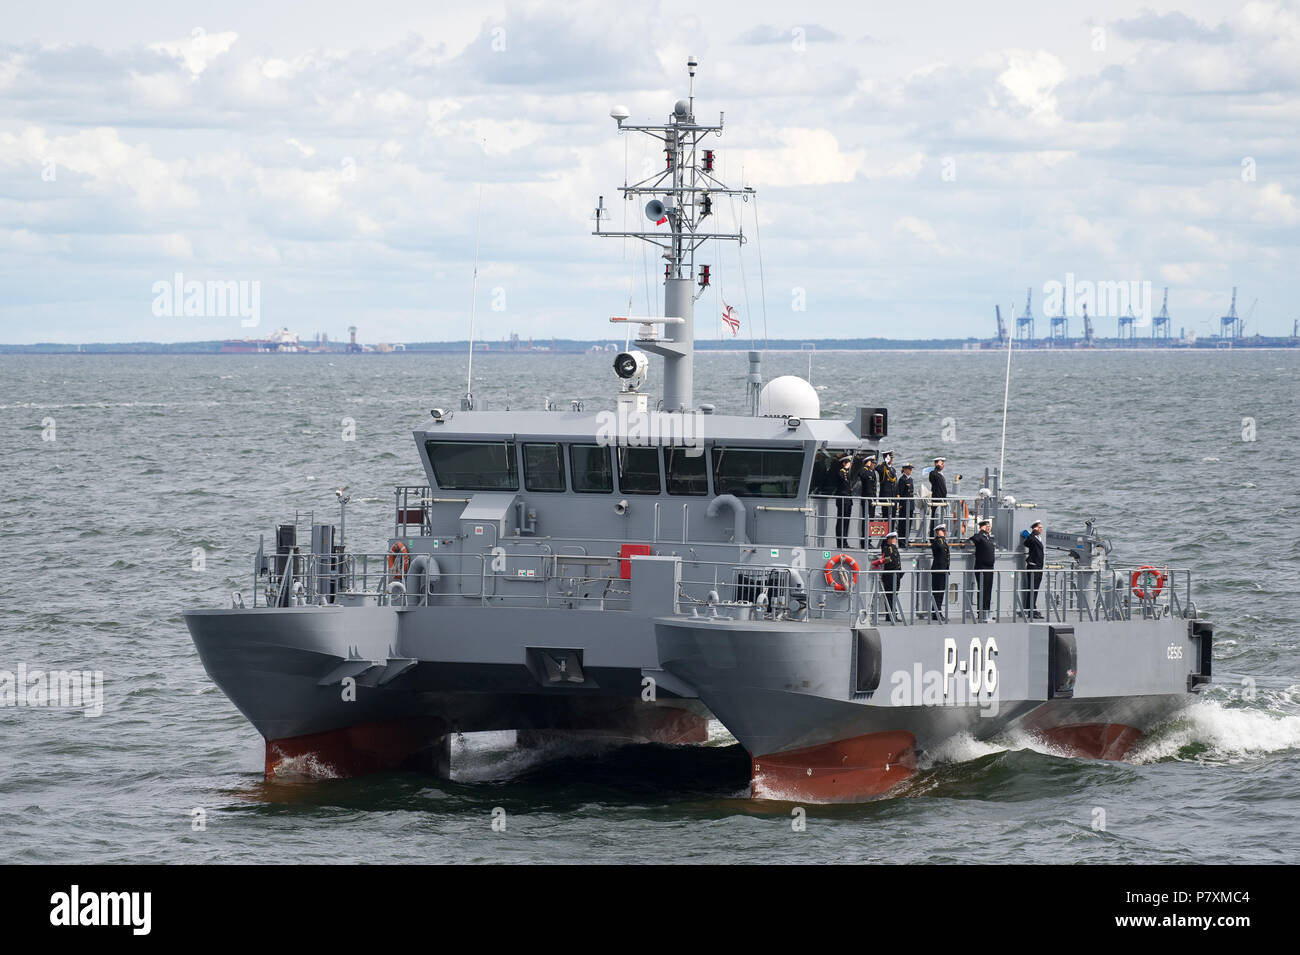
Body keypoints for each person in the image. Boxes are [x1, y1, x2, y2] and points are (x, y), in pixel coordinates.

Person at [969, 518, 996, 621]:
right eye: (987, 526)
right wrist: (981, 531)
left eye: (989, 526)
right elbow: (973, 538)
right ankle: (981, 612)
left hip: (989, 567)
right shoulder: (980, 536)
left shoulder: (988, 537)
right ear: (982, 527)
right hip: (982, 567)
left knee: (988, 590)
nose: (989, 528)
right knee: (982, 590)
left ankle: (986, 611)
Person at [1021, 519, 1045, 618]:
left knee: (1035, 589)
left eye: (1042, 528)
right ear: (1035, 528)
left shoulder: (1038, 538)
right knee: (1032, 588)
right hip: (1033, 565)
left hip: (1039, 566)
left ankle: (1032, 609)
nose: (1041, 530)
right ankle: (1031, 610)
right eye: (1040, 528)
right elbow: (1026, 543)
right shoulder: (1032, 537)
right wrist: (1033, 532)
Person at [879, 530, 902, 621]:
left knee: (894, 595)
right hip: (890, 576)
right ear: (890, 539)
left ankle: (892, 615)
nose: (895, 540)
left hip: (895, 575)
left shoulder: (893, 548)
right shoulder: (888, 548)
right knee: (890, 596)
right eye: (894, 538)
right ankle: (890, 615)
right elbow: (887, 559)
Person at [855, 454, 877, 549]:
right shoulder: (865, 471)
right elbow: (861, 475)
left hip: (872, 499)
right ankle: (864, 542)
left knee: (871, 521)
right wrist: (866, 466)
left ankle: (869, 540)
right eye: (872, 463)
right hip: (866, 500)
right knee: (866, 521)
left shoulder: (872, 472)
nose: (874, 465)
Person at [833, 454, 854, 549]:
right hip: (842, 500)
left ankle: (844, 542)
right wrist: (845, 468)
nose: (850, 464)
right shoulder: (841, 472)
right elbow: (840, 477)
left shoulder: (847, 473)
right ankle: (840, 542)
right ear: (844, 463)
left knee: (846, 522)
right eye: (848, 462)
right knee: (841, 521)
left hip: (848, 500)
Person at [929, 524, 949, 620]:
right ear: (938, 531)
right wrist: (940, 537)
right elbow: (940, 548)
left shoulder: (943, 541)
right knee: (937, 592)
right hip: (938, 569)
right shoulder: (937, 541)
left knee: (941, 593)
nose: (944, 532)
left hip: (943, 570)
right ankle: (936, 613)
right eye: (942, 531)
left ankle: (937, 612)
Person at [927, 456, 948, 538]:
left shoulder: (940, 474)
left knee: (941, 520)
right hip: (936, 500)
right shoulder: (933, 473)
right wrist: (937, 466)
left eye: (943, 464)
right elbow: (932, 475)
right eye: (941, 464)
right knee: (934, 519)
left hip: (942, 500)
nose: (942, 465)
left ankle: (940, 535)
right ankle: (932, 537)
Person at [877, 450, 897, 531]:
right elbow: (877, 469)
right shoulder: (882, 467)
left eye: (891, 458)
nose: (891, 459)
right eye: (890, 458)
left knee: (892, 518)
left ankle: (891, 536)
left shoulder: (893, 469)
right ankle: (884, 540)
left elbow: (895, 483)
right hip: (885, 497)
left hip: (893, 497)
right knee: (886, 518)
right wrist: (884, 462)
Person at [896, 462, 915, 543]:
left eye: (911, 469)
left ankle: (907, 538)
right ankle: (902, 540)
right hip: (904, 504)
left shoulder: (910, 479)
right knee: (903, 523)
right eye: (909, 469)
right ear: (904, 469)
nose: (910, 470)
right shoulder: (902, 479)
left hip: (910, 504)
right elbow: (900, 492)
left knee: (909, 522)